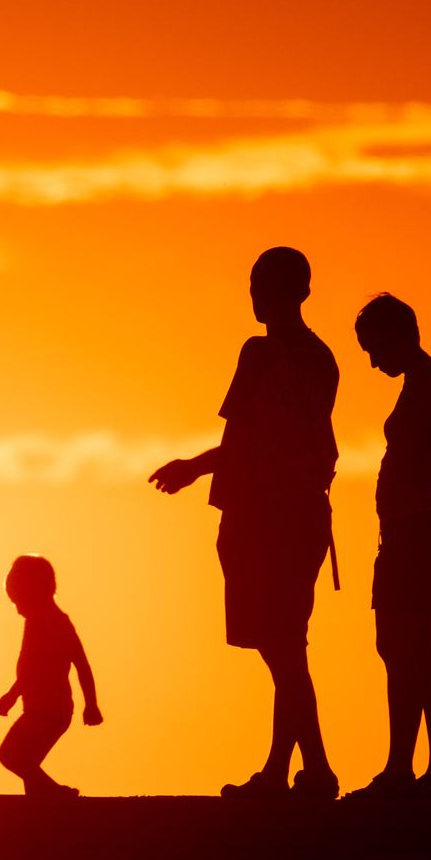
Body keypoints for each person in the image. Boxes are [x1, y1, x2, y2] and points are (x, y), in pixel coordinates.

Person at [149, 247, 341, 800]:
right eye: (254, 284)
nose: (257, 296)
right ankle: (283, 772)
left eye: (266, 286)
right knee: (288, 645)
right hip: (303, 514)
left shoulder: (260, 353)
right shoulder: (322, 357)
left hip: (263, 514)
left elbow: (244, 440)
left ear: (297, 292)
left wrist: (192, 468)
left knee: (281, 647)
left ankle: (316, 769)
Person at [345, 294, 431, 802]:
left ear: (397, 335)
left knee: (415, 652)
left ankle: (424, 772)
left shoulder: (428, 389)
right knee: (403, 651)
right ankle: (416, 770)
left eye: (374, 348)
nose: (373, 362)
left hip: (418, 537)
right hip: (408, 535)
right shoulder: (424, 386)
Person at [0, 555, 103, 798]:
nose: (18, 609)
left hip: (48, 710)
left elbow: (73, 664)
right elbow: (76, 664)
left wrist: (11, 695)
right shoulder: (49, 621)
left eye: (19, 600)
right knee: (26, 761)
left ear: (36, 591)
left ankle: (56, 794)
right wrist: (90, 704)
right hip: (45, 709)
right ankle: (42, 803)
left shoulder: (48, 623)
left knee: (11, 756)